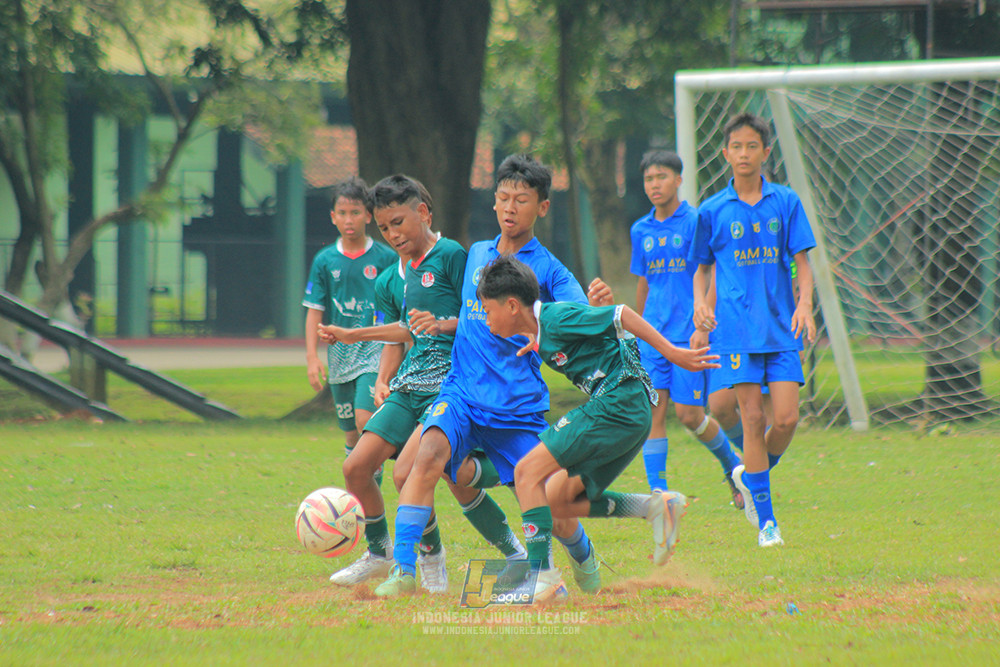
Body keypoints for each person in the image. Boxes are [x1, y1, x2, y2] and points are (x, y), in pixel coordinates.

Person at [373, 154, 612, 597]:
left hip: (515, 407)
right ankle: (404, 570)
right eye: (503, 198)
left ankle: (580, 553)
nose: (509, 208)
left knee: (551, 506)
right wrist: (438, 324)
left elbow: (577, 318)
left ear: (542, 207)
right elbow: (467, 316)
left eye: (521, 200)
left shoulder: (551, 270)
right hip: (461, 393)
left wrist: (595, 307)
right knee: (424, 460)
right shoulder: (478, 253)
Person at [318, 175, 525, 593]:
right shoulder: (391, 278)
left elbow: (481, 316)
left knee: (430, 476)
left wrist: (443, 323)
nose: (392, 234)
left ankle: (446, 557)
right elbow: (403, 333)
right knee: (356, 467)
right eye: (384, 227)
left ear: (424, 213)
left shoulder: (451, 256)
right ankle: (380, 553)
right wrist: (377, 371)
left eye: (398, 222)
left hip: (450, 385)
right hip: (410, 386)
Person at [476, 255, 721, 600]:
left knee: (526, 472)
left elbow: (622, 314)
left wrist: (673, 353)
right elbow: (604, 342)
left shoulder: (556, 318)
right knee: (556, 501)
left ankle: (542, 577)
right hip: (628, 413)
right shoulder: (542, 333)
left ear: (513, 306)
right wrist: (540, 339)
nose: (486, 319)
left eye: (488, 310)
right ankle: (654, 508)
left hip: (618, 403)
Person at [690, 112, 817, 548]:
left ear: (765, 152)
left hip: (780, 328)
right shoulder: (712, 210)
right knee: (752, 417)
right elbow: (701, 270)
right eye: (736, 147)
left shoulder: (786, 201)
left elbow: (803, 263)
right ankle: (767, 524)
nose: (744, 153)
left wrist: (805, 304)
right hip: (736, 331)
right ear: (725, 153)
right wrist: (700, 307)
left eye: (752, 146)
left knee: (786, 419)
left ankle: (751, 474)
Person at [629, 149, 743, 509]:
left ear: (678, 180)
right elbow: (644, 282)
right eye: (649, 179)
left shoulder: (697, 221)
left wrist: (703, 320)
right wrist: (639, 328)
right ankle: (659, 494)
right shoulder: (640, 229)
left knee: (690, 416)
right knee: (653, 411)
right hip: (654, 335)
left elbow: (711, 272)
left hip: (689, 335)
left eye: (661, 177)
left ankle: (733, 465)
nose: (654, 185)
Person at [302, 177, 397, 467]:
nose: (348, 220)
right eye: (342, 213)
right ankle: (362, 490)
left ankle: (399, 460)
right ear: (333, 217)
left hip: (374, 349)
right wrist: (312, 358)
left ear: (368, 215)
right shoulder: (324, 260)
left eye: (355, 212)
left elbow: (398, 304)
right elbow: (314, 310)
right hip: (340, 354)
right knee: (351, 435)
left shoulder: (386, 257)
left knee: (365, 420)